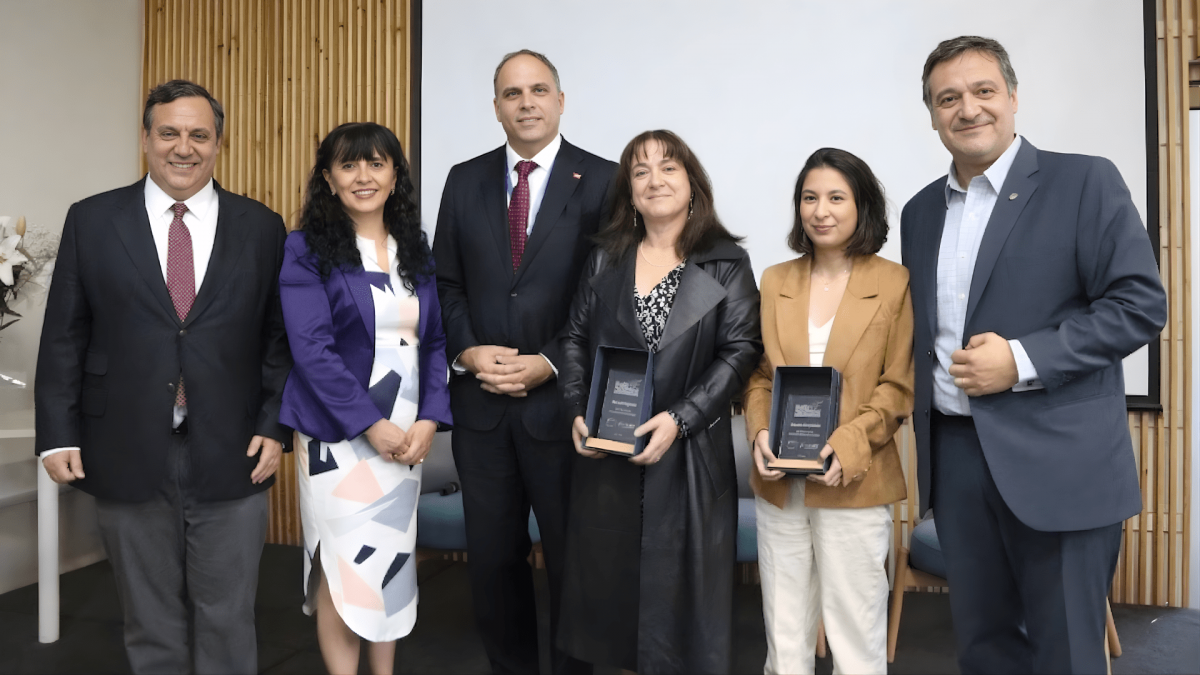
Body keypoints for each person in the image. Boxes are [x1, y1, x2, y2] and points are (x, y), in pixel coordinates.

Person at [900, 36, 1168, 674]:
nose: (968, 109)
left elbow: (1139, 305)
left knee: (1067, 652)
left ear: (1014, 97)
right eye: (948, 98)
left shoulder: (1084, 181)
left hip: (1059, 458)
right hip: (957, 461)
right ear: (932, 115)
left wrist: (1020, 360)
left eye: (983, 91)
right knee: (984, 649)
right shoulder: (919, 213)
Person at [34, 80, 291, 674]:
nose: (184, 147)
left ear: (218, 143)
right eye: (169, 132)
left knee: (228, 617)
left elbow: (279, 339)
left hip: (234, 448)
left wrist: (275, 425)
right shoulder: (92, 220)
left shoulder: (261, 226)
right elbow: (65, 335)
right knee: (148, 621)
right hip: (123, 445)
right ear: (146, 138)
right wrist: (56, 434)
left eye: (199, 135)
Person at [431, 49, 617, 675]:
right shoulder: (464, 180)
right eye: (513, 93)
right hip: (481, 410)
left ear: (560, 101)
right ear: (496, 108)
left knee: (572, 560)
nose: (527, 103)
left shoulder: (604, 180)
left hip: (563, 409)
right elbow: (446, 283)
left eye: (539, 90)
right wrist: (465, 348)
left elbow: (609, 294)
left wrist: (551, 361)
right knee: (492, 562)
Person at [557, 129, 763, 674]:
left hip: (689, 456)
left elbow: (741, 350)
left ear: (692, 183)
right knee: (611, 610)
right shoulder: (604, 259)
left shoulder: (726, 261)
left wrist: (680, 417)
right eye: (641, 170)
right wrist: (577, 408)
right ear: (629, 190)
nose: (655, 179)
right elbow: (573, 339)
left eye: (669, 167)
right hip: (609, 452)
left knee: (683, 618)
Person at [278, 122, 451, 675]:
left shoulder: (414, 249)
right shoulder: (305, 249)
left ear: (395, 175)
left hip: (407, 436)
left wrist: (429, 418)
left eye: (376, 163)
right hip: (338, 437)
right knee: (344, 565)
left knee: (391, 562)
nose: (363, 176)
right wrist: (371, 424)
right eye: (348, 165)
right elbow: (312, 350)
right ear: (328, 179)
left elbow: (435, 343)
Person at [742, 148, 913, 674]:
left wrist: (848, 444)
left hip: (855, 482)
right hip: (780, 481)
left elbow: (897, 387)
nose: (821, 211)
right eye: (809, 198)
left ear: (862, 205)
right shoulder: (775, 280)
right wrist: (759, 433)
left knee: (856, 636)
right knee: (784, 633)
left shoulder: (894, 282)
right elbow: (760, 376)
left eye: (836, 197)